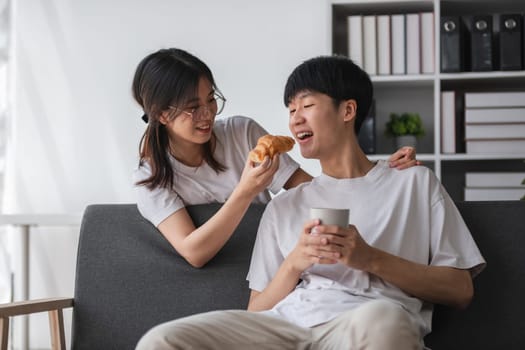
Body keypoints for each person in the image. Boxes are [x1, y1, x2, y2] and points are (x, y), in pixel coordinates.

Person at [135, 55, 485, 350]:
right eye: (290, 109)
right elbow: (256, 311)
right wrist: (294, 263)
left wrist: (369, 258)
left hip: (362, 327)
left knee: (385, 320)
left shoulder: (413, 184)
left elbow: (461, 290)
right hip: (286, 329)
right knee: (163, 340)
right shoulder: (284, 205)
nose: (294, 118)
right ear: (163, 115)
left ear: (348, 110)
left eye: (307, 106)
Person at [132, 48, 419, 268]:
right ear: (161, 113)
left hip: (274, 265)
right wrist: (246, 192)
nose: (208, 114)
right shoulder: (150, 178)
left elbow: (317, 193)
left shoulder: (241, 133)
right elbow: (194, 253)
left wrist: (381, 175)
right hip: (233, 276)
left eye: (210, 99)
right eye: (193, 107)